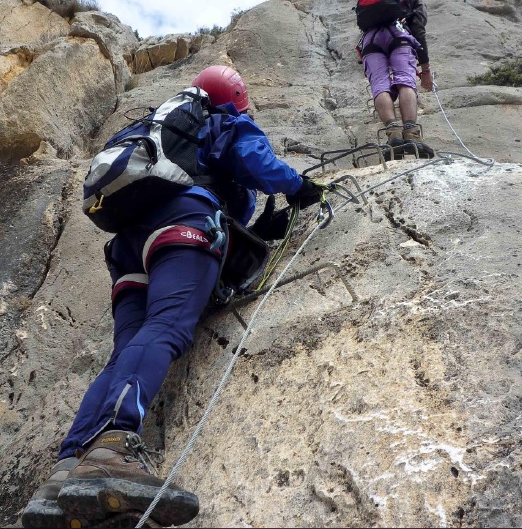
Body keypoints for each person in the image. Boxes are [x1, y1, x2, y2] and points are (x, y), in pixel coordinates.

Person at [21, 65, 325, 529]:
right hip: (182, 227)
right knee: (166, 328)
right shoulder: (223, 118)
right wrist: (300, 188)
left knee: (126, 349)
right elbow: (256, 160)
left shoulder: (156, 128)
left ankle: (67, 469)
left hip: (127, 248)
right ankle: (115, 446)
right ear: (235, 99)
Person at [360, 0, 434, 159]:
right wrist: (425, 69)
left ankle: (393, 134)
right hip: (399, 35)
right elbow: (418, 31)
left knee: (379, 84)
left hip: (370, 40)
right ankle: (411, 134)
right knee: (404, 81)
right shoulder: (413, 1)